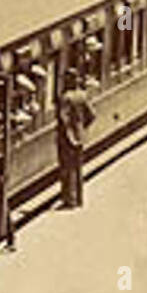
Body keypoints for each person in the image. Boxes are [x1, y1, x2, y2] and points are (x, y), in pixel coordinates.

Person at [56, 68, 97, 208]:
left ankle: (69, 200)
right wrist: (81, 128)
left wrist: (68, 134)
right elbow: (92, 115)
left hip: (67, 139)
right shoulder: (82, 95)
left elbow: (63, 119)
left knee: (67, 169)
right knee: (78, 169)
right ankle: (79, 199)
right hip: (80, 137)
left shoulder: (66, 97)